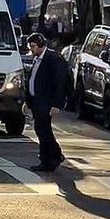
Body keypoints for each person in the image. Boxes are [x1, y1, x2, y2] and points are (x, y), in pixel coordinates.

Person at [26, 32, 69, 172]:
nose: (31, 49)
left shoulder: (52, 59)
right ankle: (53, 156)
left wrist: (57, 104)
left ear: (41, 45)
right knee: (42, 130)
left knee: (43, 131)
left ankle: (49, 159)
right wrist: (28, 101)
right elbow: (33, 80)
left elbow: (60, 83)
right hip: (37, 101)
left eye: (33, 46)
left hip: (46, 102)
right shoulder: (37, 58)